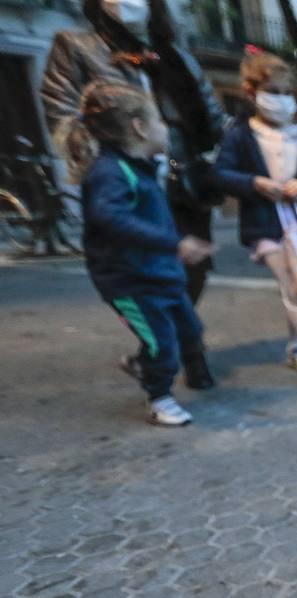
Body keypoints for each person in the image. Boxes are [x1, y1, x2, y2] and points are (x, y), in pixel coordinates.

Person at [41, 0, 224, 307]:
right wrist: (107, 165)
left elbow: (214, 117)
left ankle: (172, 342)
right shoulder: (75, 45)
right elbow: (62, 115)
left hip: (186, 178)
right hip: (130, 179)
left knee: (193, 266)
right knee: (140, 268)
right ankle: (169, 345)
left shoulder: (177, 56)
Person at [60, 82, 214, 426]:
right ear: (139, 126)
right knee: (163, 342)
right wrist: (174, 244)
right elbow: (110, 217)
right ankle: (160, 397)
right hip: (130, 281)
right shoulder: (110, 172)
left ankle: (144, 365)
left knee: (189, 332)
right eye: (159, 121)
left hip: (161, 273)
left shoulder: (139, 168)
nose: (165, 129)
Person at [215, 51, 297, 387]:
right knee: (291, 283)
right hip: (265, 223)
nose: (282, 100)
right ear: (250, 91)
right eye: (274, 91)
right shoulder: (241, 136)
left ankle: (296, 344)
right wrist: (254, 183)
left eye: (287, 93)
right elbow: (222, 174)